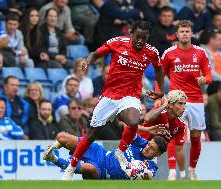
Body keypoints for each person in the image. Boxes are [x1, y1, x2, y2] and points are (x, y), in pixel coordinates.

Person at [62, 20, 165, 180]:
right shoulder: (117, 42)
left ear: (147, 37)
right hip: (110, 96)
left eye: (144, 38)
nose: (140, 41)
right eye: (137, 36)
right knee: (91, 135)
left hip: (130, 95)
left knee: (133, 121)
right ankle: (72, 166)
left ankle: (120, 151)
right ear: (131, 33)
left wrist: (161, 90)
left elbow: (159, 69)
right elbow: (95, 53)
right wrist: (87, 62)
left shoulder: (151, 52)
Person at [155, 20, 212, 180]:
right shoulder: (169, 53)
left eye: (187, 31)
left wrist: (204, 79)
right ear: (177, 34)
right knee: (173, 135)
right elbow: (159, 76)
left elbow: (209, 75)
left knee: (195, 137)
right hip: (176, 101)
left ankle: (192, 170)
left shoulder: (201, 52)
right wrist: (160, 96)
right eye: (182, 31)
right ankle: (173, 172)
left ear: (191, 33)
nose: (185, 34)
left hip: (196, 100)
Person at [42, 132, 167, 180]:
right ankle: (60, 147)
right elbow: (128, 129)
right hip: (101, 153)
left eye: (152, 149)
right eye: (149, 144)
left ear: (158, 154)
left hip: (102, 172)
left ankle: (53, 158)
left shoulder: (151, 167)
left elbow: (148, 177)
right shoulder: (143, 143)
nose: (147, 148)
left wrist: (140, 173)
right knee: (61, 137)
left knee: (89, 168)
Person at [138, 90, 187, 180]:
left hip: (151, 156)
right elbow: (147, 118)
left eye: (184, 104)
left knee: (145, 177)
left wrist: (183, 173)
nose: (183, 107)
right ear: (170, 104)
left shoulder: (181, 125)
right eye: (180, 104)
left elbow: (179, 150)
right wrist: (164, 104)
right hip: (137, 147)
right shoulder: (160, 112)